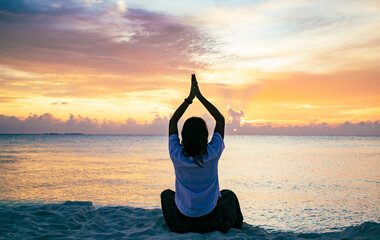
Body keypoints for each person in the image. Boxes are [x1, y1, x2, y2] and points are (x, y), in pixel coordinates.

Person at [161, 74, 243, 233]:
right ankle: (238, 226)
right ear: (205, 135)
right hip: (212, 220)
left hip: (181, 223)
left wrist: (189, 99)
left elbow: (173, 122)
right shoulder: (212, 152)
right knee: (228, 195)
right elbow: (220, 119)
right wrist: (200, 97)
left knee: (166, 195)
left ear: (183, 136)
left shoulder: (176, 154)